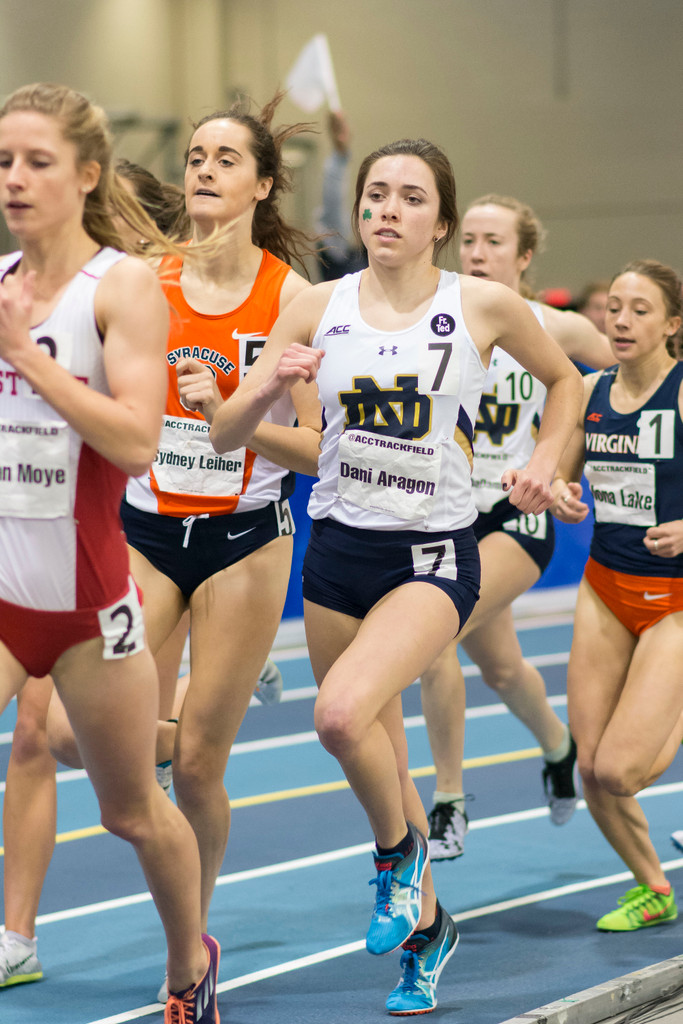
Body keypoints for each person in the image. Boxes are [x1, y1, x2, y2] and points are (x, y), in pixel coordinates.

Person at [205, 139, 582, 1014]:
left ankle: (396, 861)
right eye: (375, 194)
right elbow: (226, 435)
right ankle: (428, 934)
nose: (386, 209)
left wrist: (544, 460)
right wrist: (265, 384)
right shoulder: (316, 304)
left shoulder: (480, 304)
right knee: (388, 762)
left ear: (439, 225)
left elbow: (565, 383)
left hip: (432, 555)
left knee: (337, 717)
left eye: (409, 198)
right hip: (337, 554)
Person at [0, 82, 218, 1022]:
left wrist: (31, 358)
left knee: (129, 813)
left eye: (38, 162)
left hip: (92, 607)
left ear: (86, 175)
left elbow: (136, 443)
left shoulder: (120, 286)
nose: (15, 179)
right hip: (3, 595)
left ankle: (188, 965)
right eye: (5, 161)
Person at [115, 94, 321, 999]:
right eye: (195, 155)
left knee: (198, 767)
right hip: (145, 531)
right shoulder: (140, 280)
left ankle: (190, 949)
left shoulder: (292, 298)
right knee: (104, 748)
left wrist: (227, 416)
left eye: (225, 158)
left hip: (242, 540)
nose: (202, 167)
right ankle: (207, 692)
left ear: (263, 184)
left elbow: (318, 448)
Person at [419, 194, 613, 860]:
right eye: (468, 239)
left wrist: (559, 460)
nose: (475, 252)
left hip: (516, 516)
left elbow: (627, 371)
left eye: (493, 242)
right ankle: (559, 750)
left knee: (431, 634)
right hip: (446, 518)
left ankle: (447, 803)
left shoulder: (551, 327)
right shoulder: (432, 317)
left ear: (523, 256)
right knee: (501, 670)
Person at [551, 258, 683, 931]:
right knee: (590, 766)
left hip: (676, 600)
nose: (621, 320)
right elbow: (560, 476)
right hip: (605, 587)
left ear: (671, 325)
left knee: (619, 771)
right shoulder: (591, 388)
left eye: (638, 309)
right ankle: (653, 887)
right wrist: (556, 492)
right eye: (613, 308)